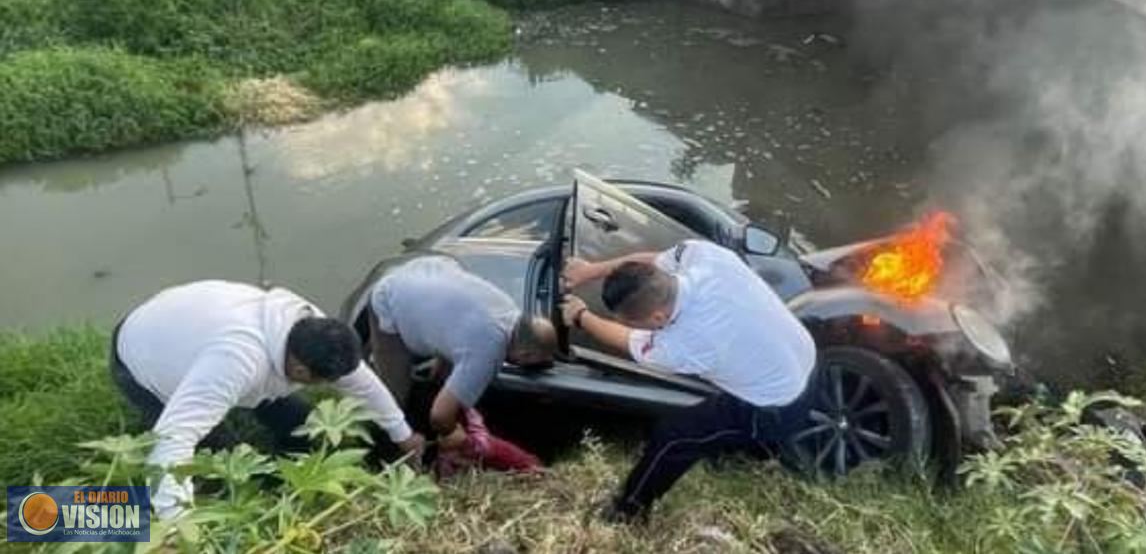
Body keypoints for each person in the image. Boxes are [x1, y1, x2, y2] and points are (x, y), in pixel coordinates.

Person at [109, 280, 424, 519]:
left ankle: (286, 486)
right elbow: (175, 437)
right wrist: (176, 527)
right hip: (142, 356)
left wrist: (403, 434)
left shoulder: (311, 330)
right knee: (223, 460)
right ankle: (106, 514)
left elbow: (363, 385)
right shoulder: (237, 361)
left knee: (303, 426)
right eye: (323, 381)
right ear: (300, 369)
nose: (332, 386)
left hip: (188, 324)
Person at [560, 239, 817, 522]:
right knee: (719, 391)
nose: (632, 326)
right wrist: (589, 270)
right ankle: (746, 447)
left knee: (676, 436)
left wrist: (581, 316)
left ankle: (628, 510)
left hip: (776, 408)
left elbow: (628, 341)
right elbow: (650, 261)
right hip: (806, 358)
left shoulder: (685, 344)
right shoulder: (704, 255)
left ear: (657, 317)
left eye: (633, 321)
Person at [362, 255, 554, 474]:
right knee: (394, 398)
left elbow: (461, 327)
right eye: (531, 363)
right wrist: (453, 435)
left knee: (441, 381)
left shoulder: (508, 310)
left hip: (424, 276)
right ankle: (381, 460)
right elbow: (440, 416)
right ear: (525, 353)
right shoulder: (489, 350)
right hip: (390, 298)